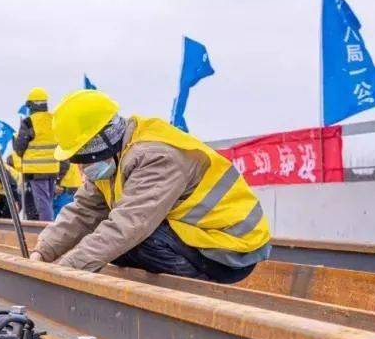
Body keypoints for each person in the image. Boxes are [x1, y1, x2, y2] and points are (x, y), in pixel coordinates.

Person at [29, 90, 271, 284]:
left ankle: (202, 292)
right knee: (110, 246)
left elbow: (128, 225)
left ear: (99, 142)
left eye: (82, 156)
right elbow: (84, 212)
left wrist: (64, 271)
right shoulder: (110, 158)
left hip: (230, 250)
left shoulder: (156, 156)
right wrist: (43, 252)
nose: (82, 167)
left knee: (132, 241)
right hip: (199, 240)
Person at [14, 87, 58, 221]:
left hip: (36, 170)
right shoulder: (53, 119)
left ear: (31, 105)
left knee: (42, 203)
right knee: (48, 202)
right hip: (53, 168)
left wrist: (16, 145)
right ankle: (50, 226)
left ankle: (46, 228)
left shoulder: (28, 122)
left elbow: (20, 147)